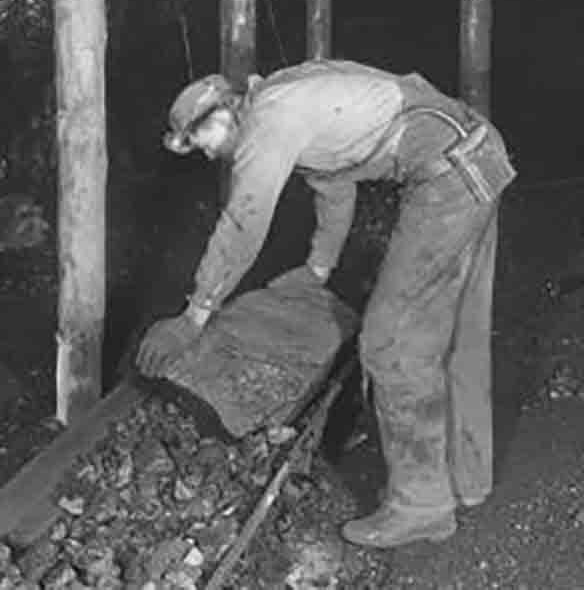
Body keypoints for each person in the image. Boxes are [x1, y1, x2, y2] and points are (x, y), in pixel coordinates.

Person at [136, 59, 516, 549]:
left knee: (387, 342)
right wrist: (317, 270)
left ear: (220, 117)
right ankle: (467, 480)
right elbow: (334, 186)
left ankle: (422, 507)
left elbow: (243, 223)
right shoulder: (285, 99)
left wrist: (194, 315)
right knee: (456, 327)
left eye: (202, 143)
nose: (210, 156)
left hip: (449, 177)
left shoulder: (269, 120)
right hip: (473, 155)